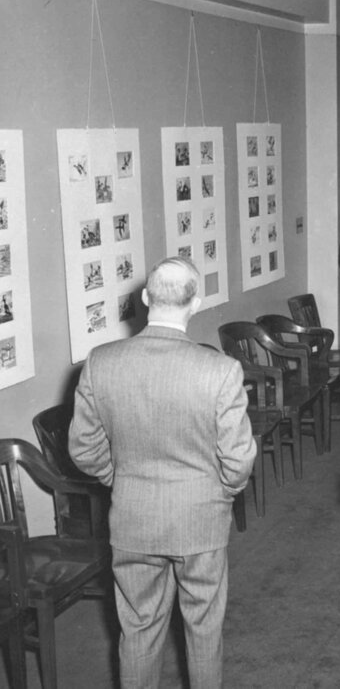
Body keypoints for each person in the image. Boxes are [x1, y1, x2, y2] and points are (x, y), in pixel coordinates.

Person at [68, 257, 256, 688]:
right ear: (196, 303)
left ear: (146, 298)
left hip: (133, 519)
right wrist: (218, 492)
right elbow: (239, 458)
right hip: (200, 519)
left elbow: (83, 447)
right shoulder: (220, 370)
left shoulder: (101, 361)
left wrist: (122, 479)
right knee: (204, 632)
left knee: (137, 632)